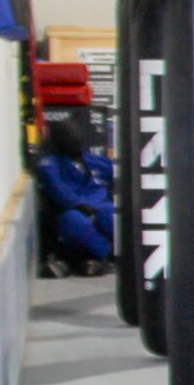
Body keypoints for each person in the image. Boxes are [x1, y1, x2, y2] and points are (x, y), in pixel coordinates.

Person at [35, 117, 116, 276]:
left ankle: (122, 254)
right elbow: (58, 190)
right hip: (75, 210)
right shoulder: (50, 164)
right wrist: (80, 205)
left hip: (101, 205)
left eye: (75, 136)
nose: (74, 140)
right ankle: (107, 254)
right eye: (68, 137)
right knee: (74, 221)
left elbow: (121, 175)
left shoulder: (95, 161)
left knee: (111, 215)